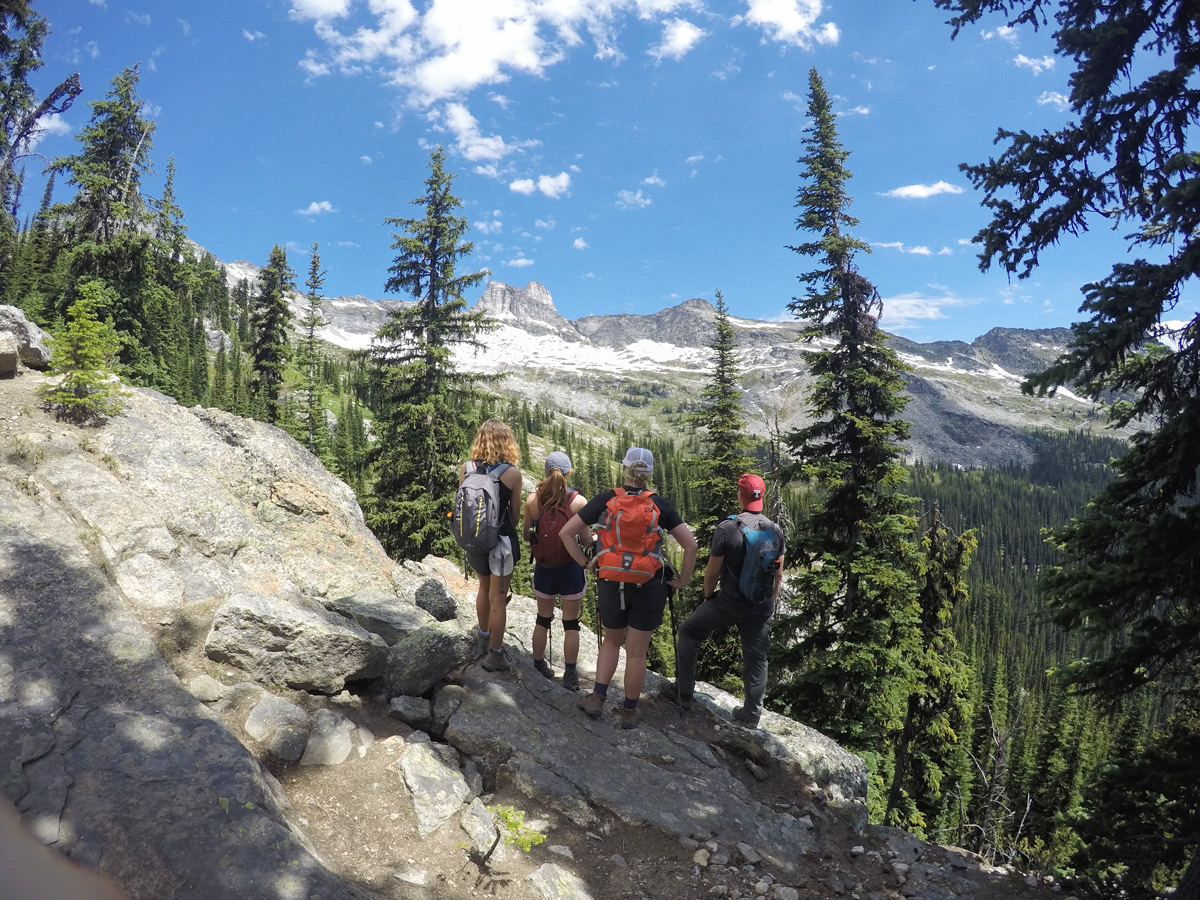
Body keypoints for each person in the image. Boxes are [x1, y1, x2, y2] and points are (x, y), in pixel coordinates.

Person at [559, 447, 697, 729]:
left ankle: (597, 699)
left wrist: (587, 563)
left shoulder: (606, 498)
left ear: (624, 470)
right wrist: (682, 581)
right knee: (636, 651)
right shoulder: (660, 504)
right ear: (649, 474)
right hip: (649, 583)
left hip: (611, 580)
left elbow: (566, 533)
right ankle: (630, 711)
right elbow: (691, 546)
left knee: (611, 641)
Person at [661, 473, 785, 727]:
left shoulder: (728, 528)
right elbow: (778, 574)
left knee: (689, 631)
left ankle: (683, 693)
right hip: (760, 605)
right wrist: (769, 603)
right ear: (761, 497)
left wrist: (708, 597)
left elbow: (711, 573)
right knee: (756, 657)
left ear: (740, 495)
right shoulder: (775, 530)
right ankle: (751, 715)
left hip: (729, 603)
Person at [460, 419, 523, 672]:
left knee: (483, 587)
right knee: (498, 597)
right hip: (501, 543)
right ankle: (495, 655)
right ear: (507, 441)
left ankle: (483, 636)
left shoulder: (467, 468)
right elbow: (516, 515)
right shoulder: (512, 474)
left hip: (474, 541)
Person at [522, 451, 589, 690]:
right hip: (570, 568)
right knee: (571, 623)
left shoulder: (533, 500)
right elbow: (586, 539)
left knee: (543, 618)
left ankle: (539, 665)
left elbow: (526, 535)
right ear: (569, 472)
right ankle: (570, 675)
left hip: (544, 568)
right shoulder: (578, 502)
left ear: (545, 472)